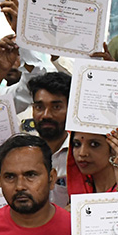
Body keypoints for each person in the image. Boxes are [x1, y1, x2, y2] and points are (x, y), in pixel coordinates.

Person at [27, 71, 72, 207]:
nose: (46, 115)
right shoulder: (23, 154)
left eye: (56, 107)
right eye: (39, 107)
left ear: (70, 109)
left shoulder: (81, 154)